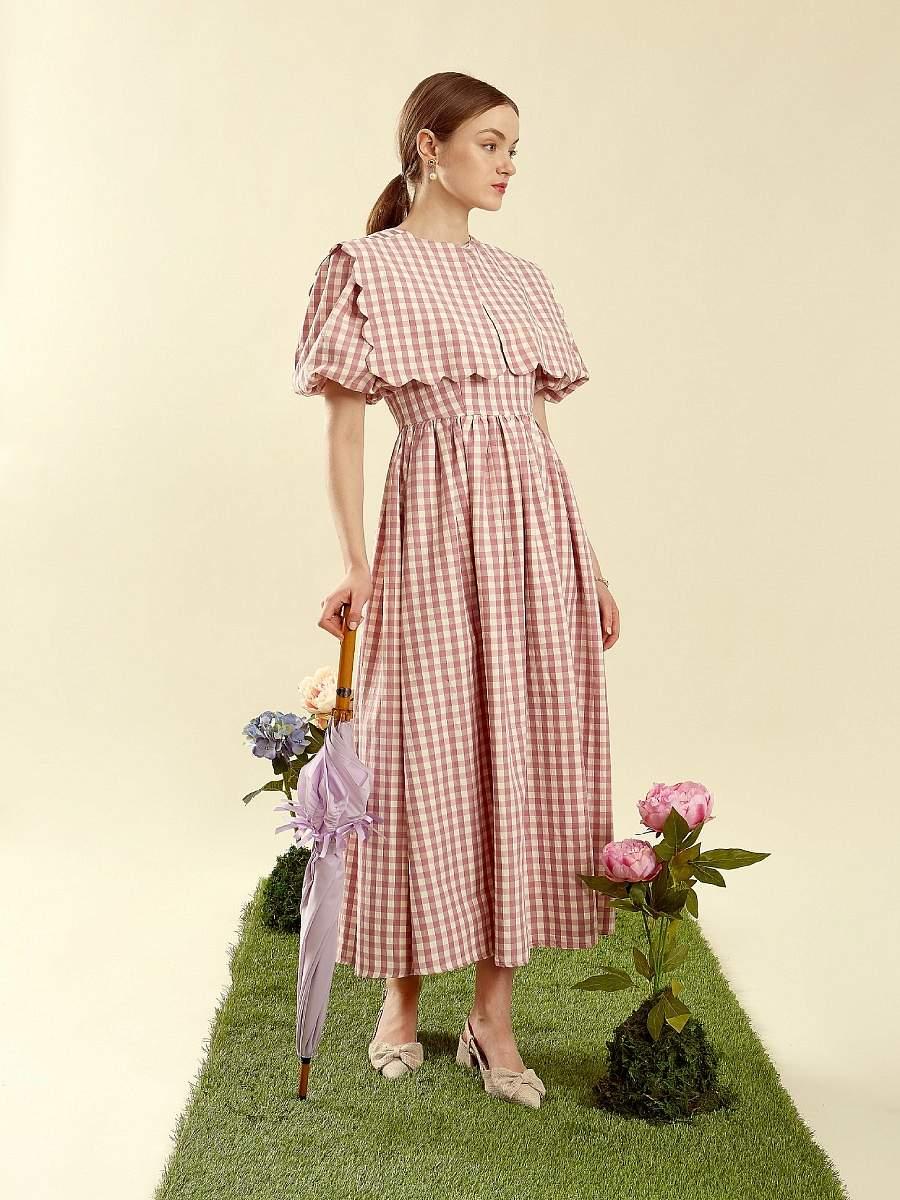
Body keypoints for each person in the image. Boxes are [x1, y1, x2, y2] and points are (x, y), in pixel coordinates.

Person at [293, 71, 621, 1110]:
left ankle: (493, 1017)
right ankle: (401, 1002)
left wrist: (589, 564)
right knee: (421, 755)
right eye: (490, 143)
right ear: (429, 147)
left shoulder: (521, 278)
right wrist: (357, 562)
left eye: (515, 147)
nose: (508, 164)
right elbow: (345, 431)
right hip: (432, 533)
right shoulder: (366, 268)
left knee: (523, 753)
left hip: (534, 539)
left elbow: (537, 433)